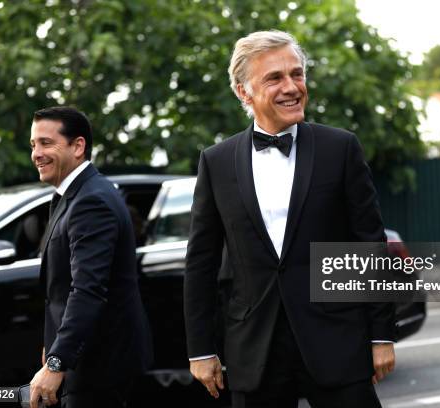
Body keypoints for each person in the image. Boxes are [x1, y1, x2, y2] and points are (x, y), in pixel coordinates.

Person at [184, 30, 396, 408]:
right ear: (243, 92)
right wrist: (200, 349)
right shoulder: (215, 162)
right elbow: (200, 262)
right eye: (275, 78)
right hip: (254, 349)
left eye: (297, 74)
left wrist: (381, 335)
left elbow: (371, 244)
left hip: (337, 341)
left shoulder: (340, 148)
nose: (292, 86)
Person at [28, 106, 153, 408]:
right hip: (90, 362)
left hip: (101, 365)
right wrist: (55, 346)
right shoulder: (71, 195)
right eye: (33, 145)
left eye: (46, 143)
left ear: (78, 146)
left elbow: (87, 289)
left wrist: (57, 361)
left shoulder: (92, 201)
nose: (36, 154)